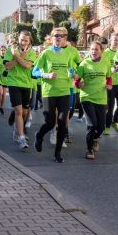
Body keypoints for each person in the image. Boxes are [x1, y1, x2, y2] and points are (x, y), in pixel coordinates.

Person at [32, 28, 78, 163]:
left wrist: (72, 74)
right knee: (50, 123)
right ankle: (39, 136)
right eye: (56, 36)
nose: (59, 38)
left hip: (64, 91)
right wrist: (46, 75)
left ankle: (57, 153)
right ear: (51, 38)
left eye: (62, 36)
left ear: (65, 39)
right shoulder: (46, 53)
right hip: (49, 92)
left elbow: (71, 69)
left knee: (63, 122)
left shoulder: (68, 53)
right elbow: (34, 72)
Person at [75, 41, 111, 160]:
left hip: (101, 98)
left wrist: (109, 85)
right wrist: (79, 84)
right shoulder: (84, 64)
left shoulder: (105, 62)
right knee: (92, 124)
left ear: (101, 50)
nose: (94, 51)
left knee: (101, 127)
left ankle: (94, 138)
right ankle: (89, 149)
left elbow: (109, 77)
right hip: (87, 97)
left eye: (96, 49)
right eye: (92, 49)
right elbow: (76, 81)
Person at [4, 30, 36, 150]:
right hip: (13, 83)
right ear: (18, 39)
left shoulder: (32, 52)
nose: (23, 42)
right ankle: (22, 138)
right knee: (18, 111)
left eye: (26, 40)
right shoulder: (10, 50)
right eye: (21, 40)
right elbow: (8, 66)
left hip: (27, 85)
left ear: (29, 41)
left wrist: (16, 56)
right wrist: (19, 57)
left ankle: (17, 130)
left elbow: (27, 65)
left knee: (25, 112)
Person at [103, 32, 118, 134]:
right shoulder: (105, 52)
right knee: (110, 106)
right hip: (110, 84)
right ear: (110, 40)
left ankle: (114, 121)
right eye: (114, 40)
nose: (116, 42)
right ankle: (107, 126)